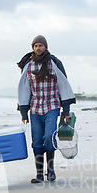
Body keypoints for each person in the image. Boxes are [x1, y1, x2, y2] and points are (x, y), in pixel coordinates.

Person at [17, 35, 76, 183]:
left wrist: (66, 112)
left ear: (46, 47)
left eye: (41, 45)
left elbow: (64, 85)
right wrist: (24, 112)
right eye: (36, 46)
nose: (38, 48)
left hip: (52, 106)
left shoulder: (54, 63)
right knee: (37, 142)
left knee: (49, 138)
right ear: (33, 48)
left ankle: (50, 171)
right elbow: (24, 89)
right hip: (35, 108)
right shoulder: (28, 65)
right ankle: (38, 174)